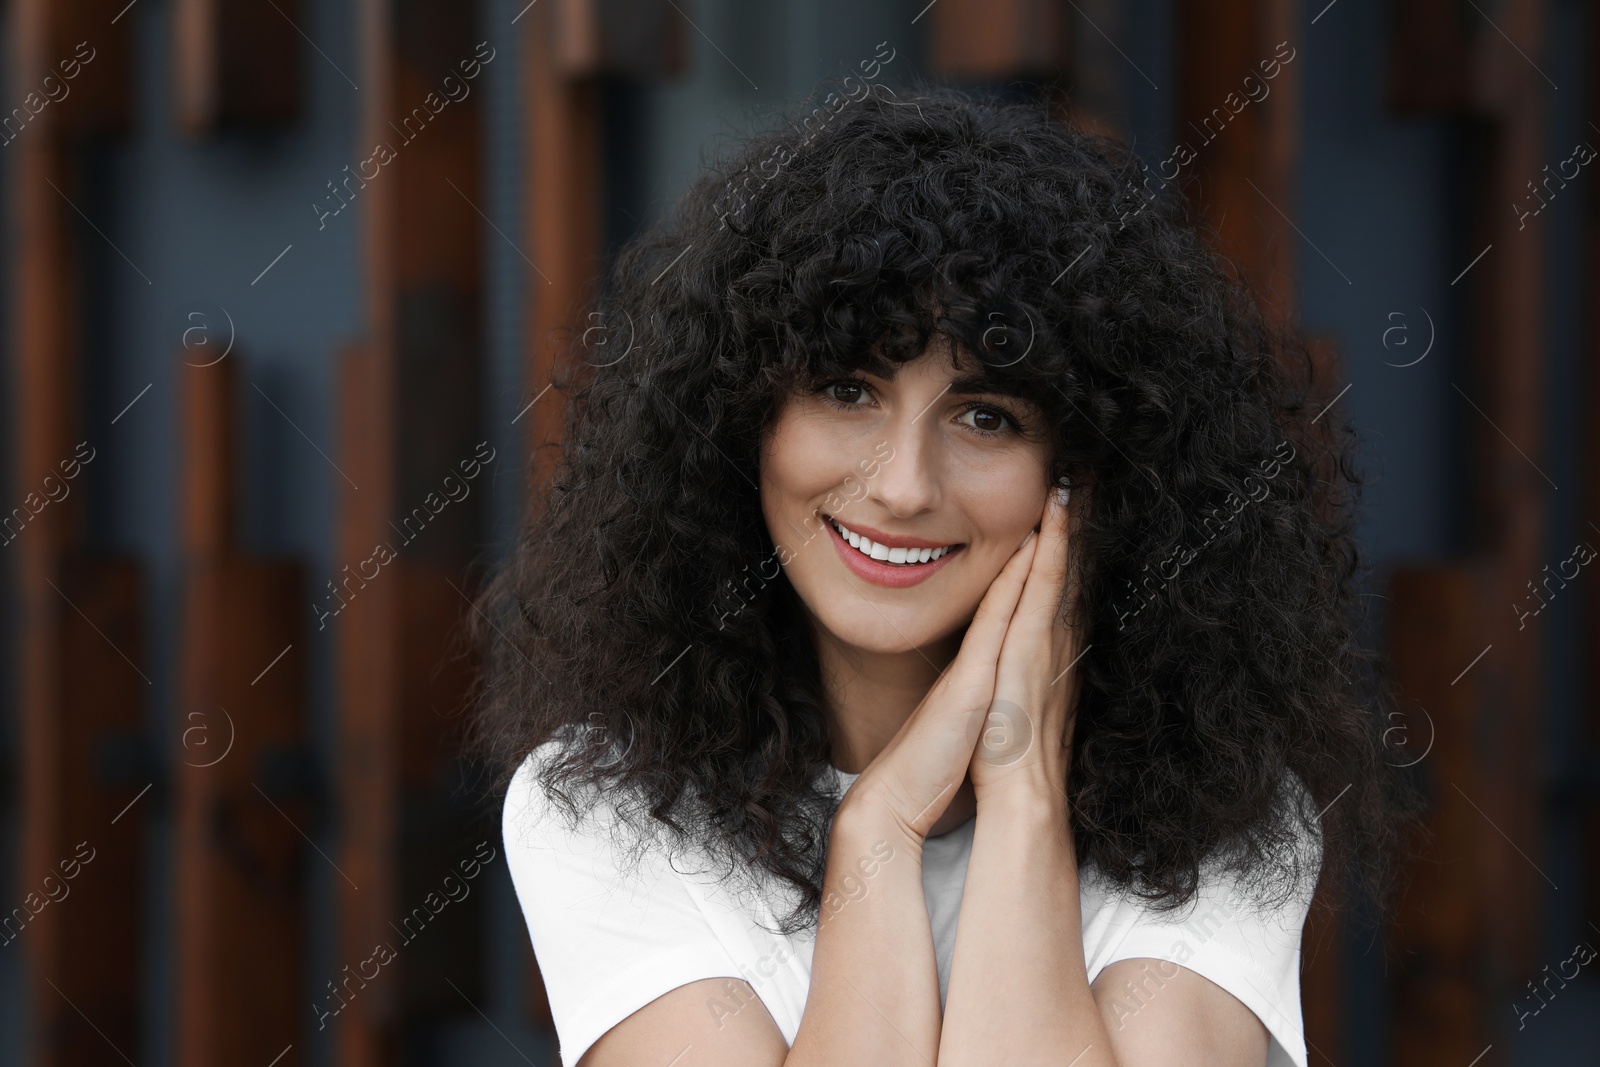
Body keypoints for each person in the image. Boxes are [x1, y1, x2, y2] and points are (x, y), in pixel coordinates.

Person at [473, 83, 1420, 1067]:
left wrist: (1021, 794)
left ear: (1090, 478)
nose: (904, 485)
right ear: (741, 422)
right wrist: (877, 832)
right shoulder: (608, 808)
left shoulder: (1222, 814)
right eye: (848, 390)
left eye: (986, 416)